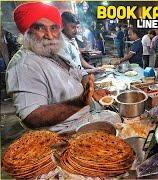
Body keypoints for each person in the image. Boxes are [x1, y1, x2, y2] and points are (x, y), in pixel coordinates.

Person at [6, 2, 107, 132]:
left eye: (54, 28)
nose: (49, 35)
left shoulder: (55, 50)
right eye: (40, 28)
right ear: (27, 32)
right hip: (64, 133)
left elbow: (79, 72)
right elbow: (31, 117)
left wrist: (91, 90)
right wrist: (81, 102)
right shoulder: (24, 65)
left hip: (84, 117)